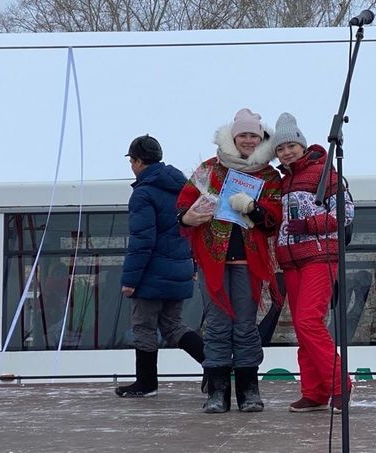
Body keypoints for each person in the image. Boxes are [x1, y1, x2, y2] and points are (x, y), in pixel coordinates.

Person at [176, 108, 282, 413]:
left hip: (249, 264)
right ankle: (217, 391)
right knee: (218, 326)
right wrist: (188, 217)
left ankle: (249, 390)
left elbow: (274, 219)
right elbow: (183, 206)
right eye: (243, 135)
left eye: (254, 135)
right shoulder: (209, 169)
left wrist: (254, 209)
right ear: (233, 137)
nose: (249, 140)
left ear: (261, 137)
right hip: (214, 260)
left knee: (246, 327)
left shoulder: (270, 175)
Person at [272, 112, 354, 413]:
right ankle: (314, 391)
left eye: (291, 145)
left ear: (303, 145)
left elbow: (346, 213)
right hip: (291, 262)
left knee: (309, 320)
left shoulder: (326, 174)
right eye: (280, 149)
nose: (286, 152)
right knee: (301, 326)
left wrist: (309, 225)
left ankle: (339, 385)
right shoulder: (282, 182)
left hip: (319, 256)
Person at [115, 134, 205, 398]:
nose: (132, 166)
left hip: (151, 274)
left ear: (139, 162)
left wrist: (130, 280)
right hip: (179, 270)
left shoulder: (143, 194)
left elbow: (142, 240)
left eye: (132, 161)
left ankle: (146, 383)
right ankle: (215, 365)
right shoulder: (182, 187)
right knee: (173, 325)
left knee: (143, 326)